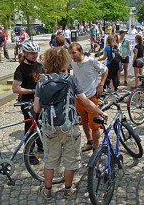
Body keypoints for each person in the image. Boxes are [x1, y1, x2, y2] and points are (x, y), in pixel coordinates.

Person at [33, 47, 108, 200]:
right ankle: (68, 189)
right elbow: (85, 102)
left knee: (50, 160)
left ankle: (47, 190)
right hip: (69, 127)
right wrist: (100, 112)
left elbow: (36, 108)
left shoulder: (41, 81)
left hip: (50, 127)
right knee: (70, 160)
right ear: (64, 61)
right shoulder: (70, 80)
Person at [69, 42, 108, 152]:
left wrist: (101, 84)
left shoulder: (91, 61)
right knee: (84, 122)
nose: (72, 56)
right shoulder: (73, 63)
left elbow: (105, 70)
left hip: (91, 98)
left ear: (80, 51)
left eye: (74, 53)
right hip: (79, 98)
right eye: (70, 53)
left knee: (94, 126)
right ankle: (90, 142)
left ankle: (96, 149)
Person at [12, 40, 41, 136]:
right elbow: (16, 89)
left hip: (40, 100)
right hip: (27, 101)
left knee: (41, 124)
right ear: (25, 53)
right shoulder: (20, 69)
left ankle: (41, 148)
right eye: (32, 53)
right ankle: (29, 149)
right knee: (30, 125)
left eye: (36, 53)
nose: (35, 55)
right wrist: (33, 91)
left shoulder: (40, 66)